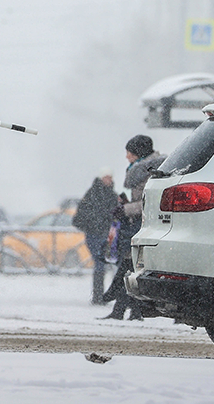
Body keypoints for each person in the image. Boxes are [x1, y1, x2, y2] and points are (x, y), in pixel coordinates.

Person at [101, 134, 166, 320]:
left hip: (143, 225)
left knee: (131, 268)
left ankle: (118, 302)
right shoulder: (141, 170)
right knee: (132, 268)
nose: (127, 157)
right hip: (135, 224)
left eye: (129, 152)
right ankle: (126, 310)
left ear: (139, 153)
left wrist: (125, 209)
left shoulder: (151, 171)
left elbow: (148, 203)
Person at [71, 168, 119, 305]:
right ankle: (99, 296)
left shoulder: (106, 195)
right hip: (95, 233)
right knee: (100, 263)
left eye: (110, 177)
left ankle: (99, 296)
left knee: (101, 264)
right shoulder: (95, 194)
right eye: (106, 177)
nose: (108, 180)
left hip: (103, 234)